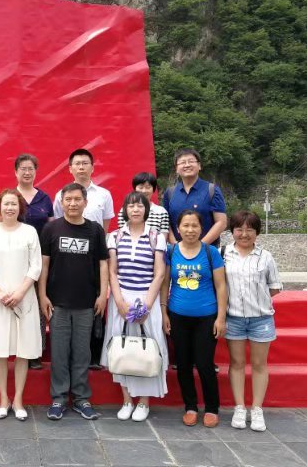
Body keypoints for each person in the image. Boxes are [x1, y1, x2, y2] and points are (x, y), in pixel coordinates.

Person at [39, 183, 108, 421]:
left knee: (81, 353)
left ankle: (81, 398)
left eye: (77, 199)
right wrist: (42, 294)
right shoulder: (51, 228)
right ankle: (58, 399)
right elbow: (44, 264)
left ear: (85, 202)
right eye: (68, 199)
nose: (73, 203)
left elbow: (103, 263)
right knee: (59, 352)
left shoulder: (95, 230)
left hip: (86, 302)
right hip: (57, 302)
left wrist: (103, 294)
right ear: (62, 202)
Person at [101, 192, 168, 422]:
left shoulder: (156, 237)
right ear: (125, 210)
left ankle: (144, 402)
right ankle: (127, 400)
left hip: (147, 298)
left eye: (140, 206)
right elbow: (112, 271)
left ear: (146, 210)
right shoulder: (115, 236)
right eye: (131, 206)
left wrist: (147, 305)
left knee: (146, 349)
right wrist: (119, 301)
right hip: (121, 298)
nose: (136, 210)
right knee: (122, 348)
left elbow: (159, 273)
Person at [160, 209, 227, 428]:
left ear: (202, 228)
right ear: (178, 229)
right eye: (186, 225)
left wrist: (221, 318)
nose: (190, 230)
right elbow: (165, 283)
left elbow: (221, 286)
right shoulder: (171, 251)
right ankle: (190, 406)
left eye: (195, 225)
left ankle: (212, 408)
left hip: (206, 317)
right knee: (184, 364)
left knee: (205, 364)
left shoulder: (211, 252)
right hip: (178, 316)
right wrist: (163, 312)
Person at [0, 189, 42, 421]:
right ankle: (3, 398)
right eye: (6, 204)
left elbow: (35, 266)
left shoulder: (29, 232)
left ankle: (18, 399)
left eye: (14, 204)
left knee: (23, 351)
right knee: (0, 350)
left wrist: (20, 292)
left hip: (24, 298)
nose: (9, 208)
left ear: (20, 207)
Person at [52, 148, 115, 369]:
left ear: (92, 167)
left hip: (94, 256)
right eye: (77, 164)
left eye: (85, 163)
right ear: (70, 169)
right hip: (67, 257)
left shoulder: (103, 195)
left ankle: (94, 355)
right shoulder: (61, 195)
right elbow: (60, 225)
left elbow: (105, 228)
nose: (81, 167)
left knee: (94, 306)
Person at [222, 210, 282, 432]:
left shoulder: (265, 257)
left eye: (249, 229)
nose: (244, 234)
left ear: (257, 232)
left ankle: (257, 409)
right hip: (234, 317)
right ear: (232, 231)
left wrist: (255, 300)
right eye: (239, 229)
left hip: (261, 318)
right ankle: (239, 407)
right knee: (236, 363)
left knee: (259, 364)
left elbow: (274, 287)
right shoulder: (223, 254)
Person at [13, 153, 53, 369]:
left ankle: (35, 350)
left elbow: (52, 227)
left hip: (40, 259)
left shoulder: (44, 198)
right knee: (17, 301)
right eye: (23, 169)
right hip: (14, 259)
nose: (27, 172)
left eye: (31, 169)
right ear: (16, 172)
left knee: (38, 304)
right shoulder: (10, 197)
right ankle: (16, 347)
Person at [162, 148, 227, 246]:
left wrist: (200, 247)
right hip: (177, 251)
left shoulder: (212, 190)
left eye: (191, 161)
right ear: (176, 169)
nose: (187, 165)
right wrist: (175, 245)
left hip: (206, 250)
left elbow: (221, 222)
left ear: (199, 165)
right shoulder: (170, 193)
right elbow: (166, 223)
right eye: (182, 162)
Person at [117, 172, 170, 242]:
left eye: (148, 187)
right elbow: (121, 235)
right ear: (135, 188)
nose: (144, 191)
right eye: (140, 187)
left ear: (153, 189)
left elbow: (163, 238)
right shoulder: (125, 210)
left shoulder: (161, 212)